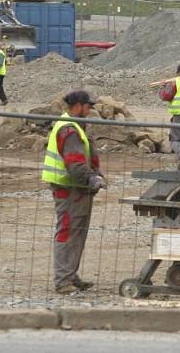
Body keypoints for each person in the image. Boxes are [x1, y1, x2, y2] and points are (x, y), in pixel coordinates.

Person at [41, 90, 106, 295]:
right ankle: (63, 280)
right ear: (78, 106)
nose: (89, 110)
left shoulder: (74, 126)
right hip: (69, 188)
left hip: (74, 188)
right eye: (88, 106)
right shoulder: (69, 130)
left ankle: (69, 273)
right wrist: (91, 178)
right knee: (68, 232)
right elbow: (75, 164)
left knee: (76, 232)